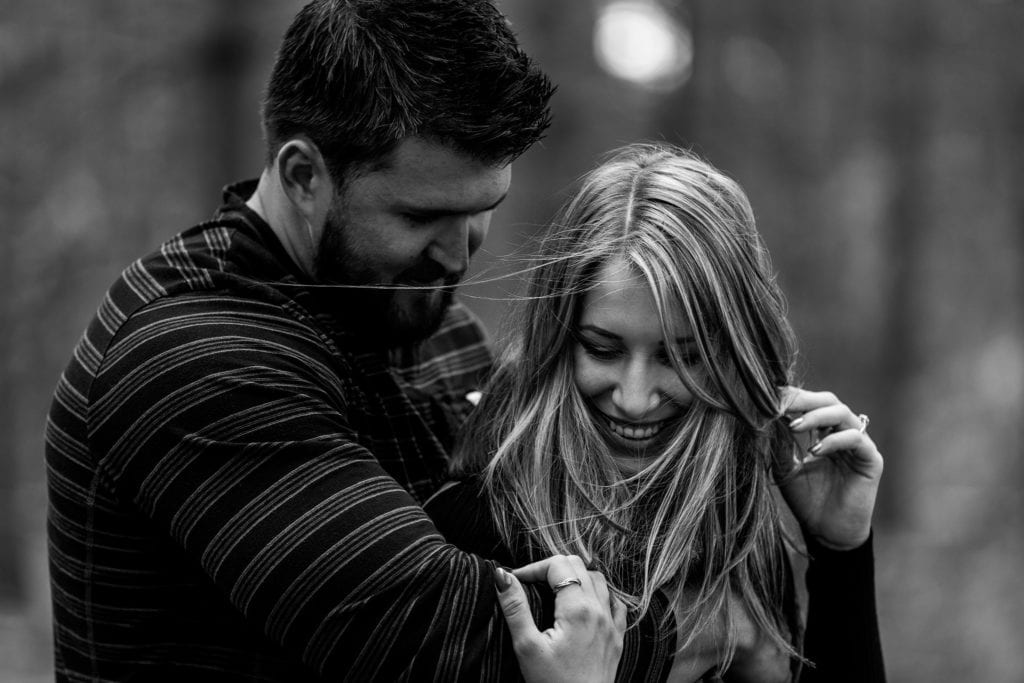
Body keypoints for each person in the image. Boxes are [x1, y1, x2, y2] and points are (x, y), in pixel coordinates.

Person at [44, 1, 650, 680]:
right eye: (423, 215)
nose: (458, 255)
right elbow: (431, 634)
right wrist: (708, 626)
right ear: (304, 175)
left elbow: (546, 539)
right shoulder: (191, 353)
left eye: (483, 211)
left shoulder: (430, 321)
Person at [427, 143, 887, 682]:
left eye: (683, 355)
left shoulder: (731, 514)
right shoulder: (478, 531)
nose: (635, 398)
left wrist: (841, 552)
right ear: (558, 337)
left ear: (734, 352)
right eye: (603, 348)